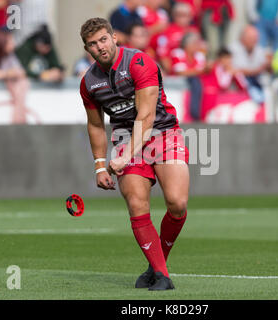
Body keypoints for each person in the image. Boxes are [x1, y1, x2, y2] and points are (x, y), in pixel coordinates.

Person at [79, 17, 189, 291]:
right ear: (87, 49)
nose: (100, 47)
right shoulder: (89, 83)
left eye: (103, 39)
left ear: (114, 38)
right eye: (92, 44)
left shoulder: (139, 63)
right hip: (125, 138)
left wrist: (125, 156)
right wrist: (100, 166)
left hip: (162, 132)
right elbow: (95, 125)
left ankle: (155, 265)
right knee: (137, 204)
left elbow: (147, 115)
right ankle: (162, 275)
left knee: (177, 203)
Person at [170, 32, 208, 120]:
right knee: (195, 81)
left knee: (198, 82)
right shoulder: (177, 53)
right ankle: (194, 112)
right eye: (195, 43)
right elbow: (180, 72)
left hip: (193, 82)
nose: (197, 46)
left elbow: (201, 71)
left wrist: (195, 72)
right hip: (177, 83)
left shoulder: (199, 55)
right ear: (187, 44)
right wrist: (198, 71)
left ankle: (198, 111)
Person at [230, 24, 270, 104]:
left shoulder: (259, 50)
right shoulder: (232, 50)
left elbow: (266, 68)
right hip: (237, 86)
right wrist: (257, 70)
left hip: (256, 83)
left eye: (256, 38)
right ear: (242, 38)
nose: (254, 41)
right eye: (251, 38)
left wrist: (270, 64)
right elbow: (232, 71)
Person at [155, 2, 199, 74]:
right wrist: (172, 73)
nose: (182, 18)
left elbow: (200, 52)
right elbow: (162, 55)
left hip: (194, 70)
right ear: (174, 16)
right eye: (179, 15)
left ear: (190, 16)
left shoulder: (194, 31)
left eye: (185, 15)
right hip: (175, 71)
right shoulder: (166, 31)